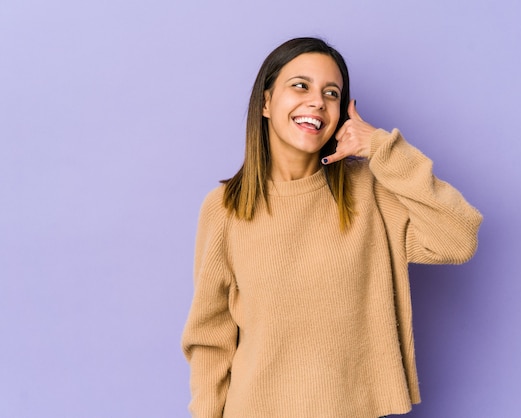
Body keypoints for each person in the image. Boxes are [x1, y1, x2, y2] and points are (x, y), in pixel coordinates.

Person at [181, 37, 483, 418]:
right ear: (265, 102)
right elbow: (209, 339)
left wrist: (381, 147)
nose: (317, 101)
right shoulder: (225, 209)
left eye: (331, 93)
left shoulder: (371, 190)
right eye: (300, 86)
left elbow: (458, 238)